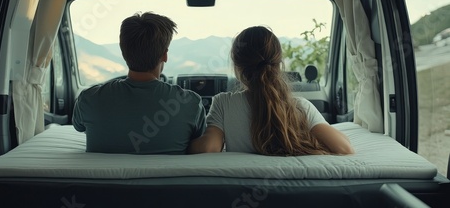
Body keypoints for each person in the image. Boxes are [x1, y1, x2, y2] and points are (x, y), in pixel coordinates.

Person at [188, 26, 354, 156]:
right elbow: (344, 147)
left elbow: (210, 147)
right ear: (278, 64)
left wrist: (181, 141)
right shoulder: (300, 107)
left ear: (237, 66)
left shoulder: (223, 103)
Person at [73, 12, 206, 154]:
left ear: (123, 52)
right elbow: (198, 139)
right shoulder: (190, 102)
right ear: (164, 55)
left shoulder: (89, 99)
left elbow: (79, 127)